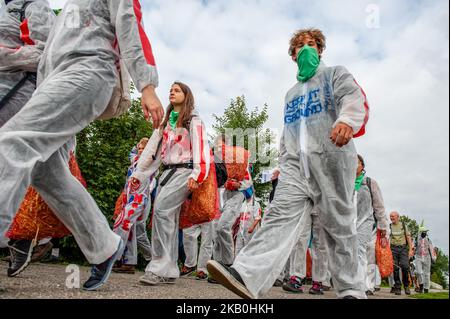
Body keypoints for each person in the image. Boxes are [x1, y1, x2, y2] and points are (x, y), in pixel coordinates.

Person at [0, 0, 165, 291]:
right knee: (46, 172)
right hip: (55, 84)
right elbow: (46, 54)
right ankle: (103, 245)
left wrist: (147, 87)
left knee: (12, 143)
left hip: (88, 72)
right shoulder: (67, 10)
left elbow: (130, 24)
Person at [207, 28, 369, 299]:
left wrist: (346, 121)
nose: (306, 49)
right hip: (295, 167)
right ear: (293, 56)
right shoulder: (291, 94)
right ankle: (246, 274)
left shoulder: (334, 75)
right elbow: (290, 131)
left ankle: (352, 289)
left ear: (320, 50)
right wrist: (283, 160)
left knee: (338, 225)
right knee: (277, 217)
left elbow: (353, 98)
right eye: (300, 46)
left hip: (331, 160)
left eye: (311, 44)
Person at [132, 81, 211, 286]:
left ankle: (158, 266)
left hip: (184, 172)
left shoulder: (193, 120)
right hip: (166, 173)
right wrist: (140, 173)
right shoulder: (166, 122)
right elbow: (153, 150)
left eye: (177, 90)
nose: (171, 92)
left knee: (161, 210)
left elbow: (202, 148)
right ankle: (170, 269)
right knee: (169, 218)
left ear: (187, 95)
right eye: (170, 90)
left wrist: (198, 174)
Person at [0, 0, 56, 277]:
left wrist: (6, 57)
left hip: (21, 93)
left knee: (19, 165)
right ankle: (19, 236)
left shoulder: (34, 6)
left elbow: (51, 54)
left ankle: (25, 235)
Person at [113, 139, 155, 274]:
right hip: (129, 199)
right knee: (131, 230)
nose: (142, 151)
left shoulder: (150, 163)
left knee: (124, 224)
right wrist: (139, 146)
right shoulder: (135, 161)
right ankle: (128, 262)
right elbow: (132, 152)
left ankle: (114, 256)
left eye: (144, 149)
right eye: (140, 149)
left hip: (140, 199)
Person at [212, 135, 253, 266]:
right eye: (217, 145)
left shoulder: (238, 160)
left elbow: (248, 181)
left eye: (220, 145)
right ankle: (217, 265)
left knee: (222, 227)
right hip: (219, 196)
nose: (218, 148)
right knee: (215, 233)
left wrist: (238, 185)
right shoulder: (215, 161)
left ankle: (228, 263)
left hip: (236, 195)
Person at [354, 154, 389, 296]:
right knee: (349, 253)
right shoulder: (344, 182)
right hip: (348, 223)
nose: (353, 164)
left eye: (356, 162)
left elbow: (379, 207)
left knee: (359, 250)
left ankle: (364, 285)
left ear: (362, 166)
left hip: (365, 223)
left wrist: (383, 230)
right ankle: (355, 282)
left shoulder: (370, 182)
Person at [389, 211, 414, 295]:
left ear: (398, 217)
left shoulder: (403, 225)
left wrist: (410, 249)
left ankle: (406, 285)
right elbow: (387, 238)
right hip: (393, 249)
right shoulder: (389, 226)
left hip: (403, 248)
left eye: (393, 216)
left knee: (405, 266)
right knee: (395, 269)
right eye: (390, 216)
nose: (391, 218)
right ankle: (398, 287)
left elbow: (408, 237)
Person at [414, 222, 436, 293]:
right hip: (418, 257)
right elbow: (412, 248)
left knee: (427, 273)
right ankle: (421, 285)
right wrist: (410, 255)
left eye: (425, 232)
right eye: (423, 232)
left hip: (427, 257)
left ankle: (426, 289)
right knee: (418, 272)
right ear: (420, 232)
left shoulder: (428, 240)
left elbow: (432, 249)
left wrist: (433, 258)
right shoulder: (416, 239)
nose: (425, 233)